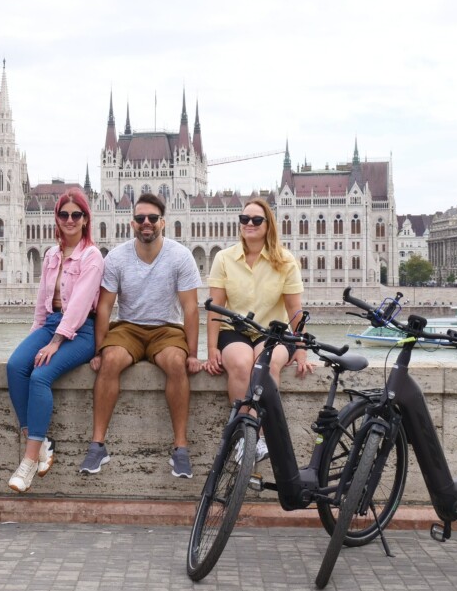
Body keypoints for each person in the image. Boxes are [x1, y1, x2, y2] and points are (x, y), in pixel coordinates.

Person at [80, 193, 203, 479]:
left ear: (163, 222)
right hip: (128, 327)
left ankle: (180, 449)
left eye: (151, 218)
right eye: (139, 218)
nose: (145, 223)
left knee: (176, 363)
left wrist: (194, 355)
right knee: (111, 361)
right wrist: (99, 350)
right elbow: (105, 307)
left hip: (166, 328)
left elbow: (190, 309)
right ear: (132, 223)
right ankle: (97, 445)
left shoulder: (180, 256)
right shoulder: (117, 257)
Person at [4, 188, 104, 492]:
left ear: (86, 219)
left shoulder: (92, 256)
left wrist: (56, 342)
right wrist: (37, 335)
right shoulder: (50, 254)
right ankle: (40, 438)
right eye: (64, 214)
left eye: (77, 215)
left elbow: (80, 304)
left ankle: (29, 460)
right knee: (15, 365)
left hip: (82, 330)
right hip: (51, 324)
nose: (70, 220)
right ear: (56, 219)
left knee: (40, 376)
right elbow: (43, 300)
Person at [202, 197, 315, 461]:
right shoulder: (224, 258)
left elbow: (294, 311)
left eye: (256, 220)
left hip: (274, 332)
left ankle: (259, 436)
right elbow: (215, 308)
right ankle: (244, 437)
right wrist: (210, 349)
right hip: (236, 330)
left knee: (265, 363)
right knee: (241, 364)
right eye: (244, 219)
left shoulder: (285, 261)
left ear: (268, 225)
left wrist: (301, 348)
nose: (249, 224)